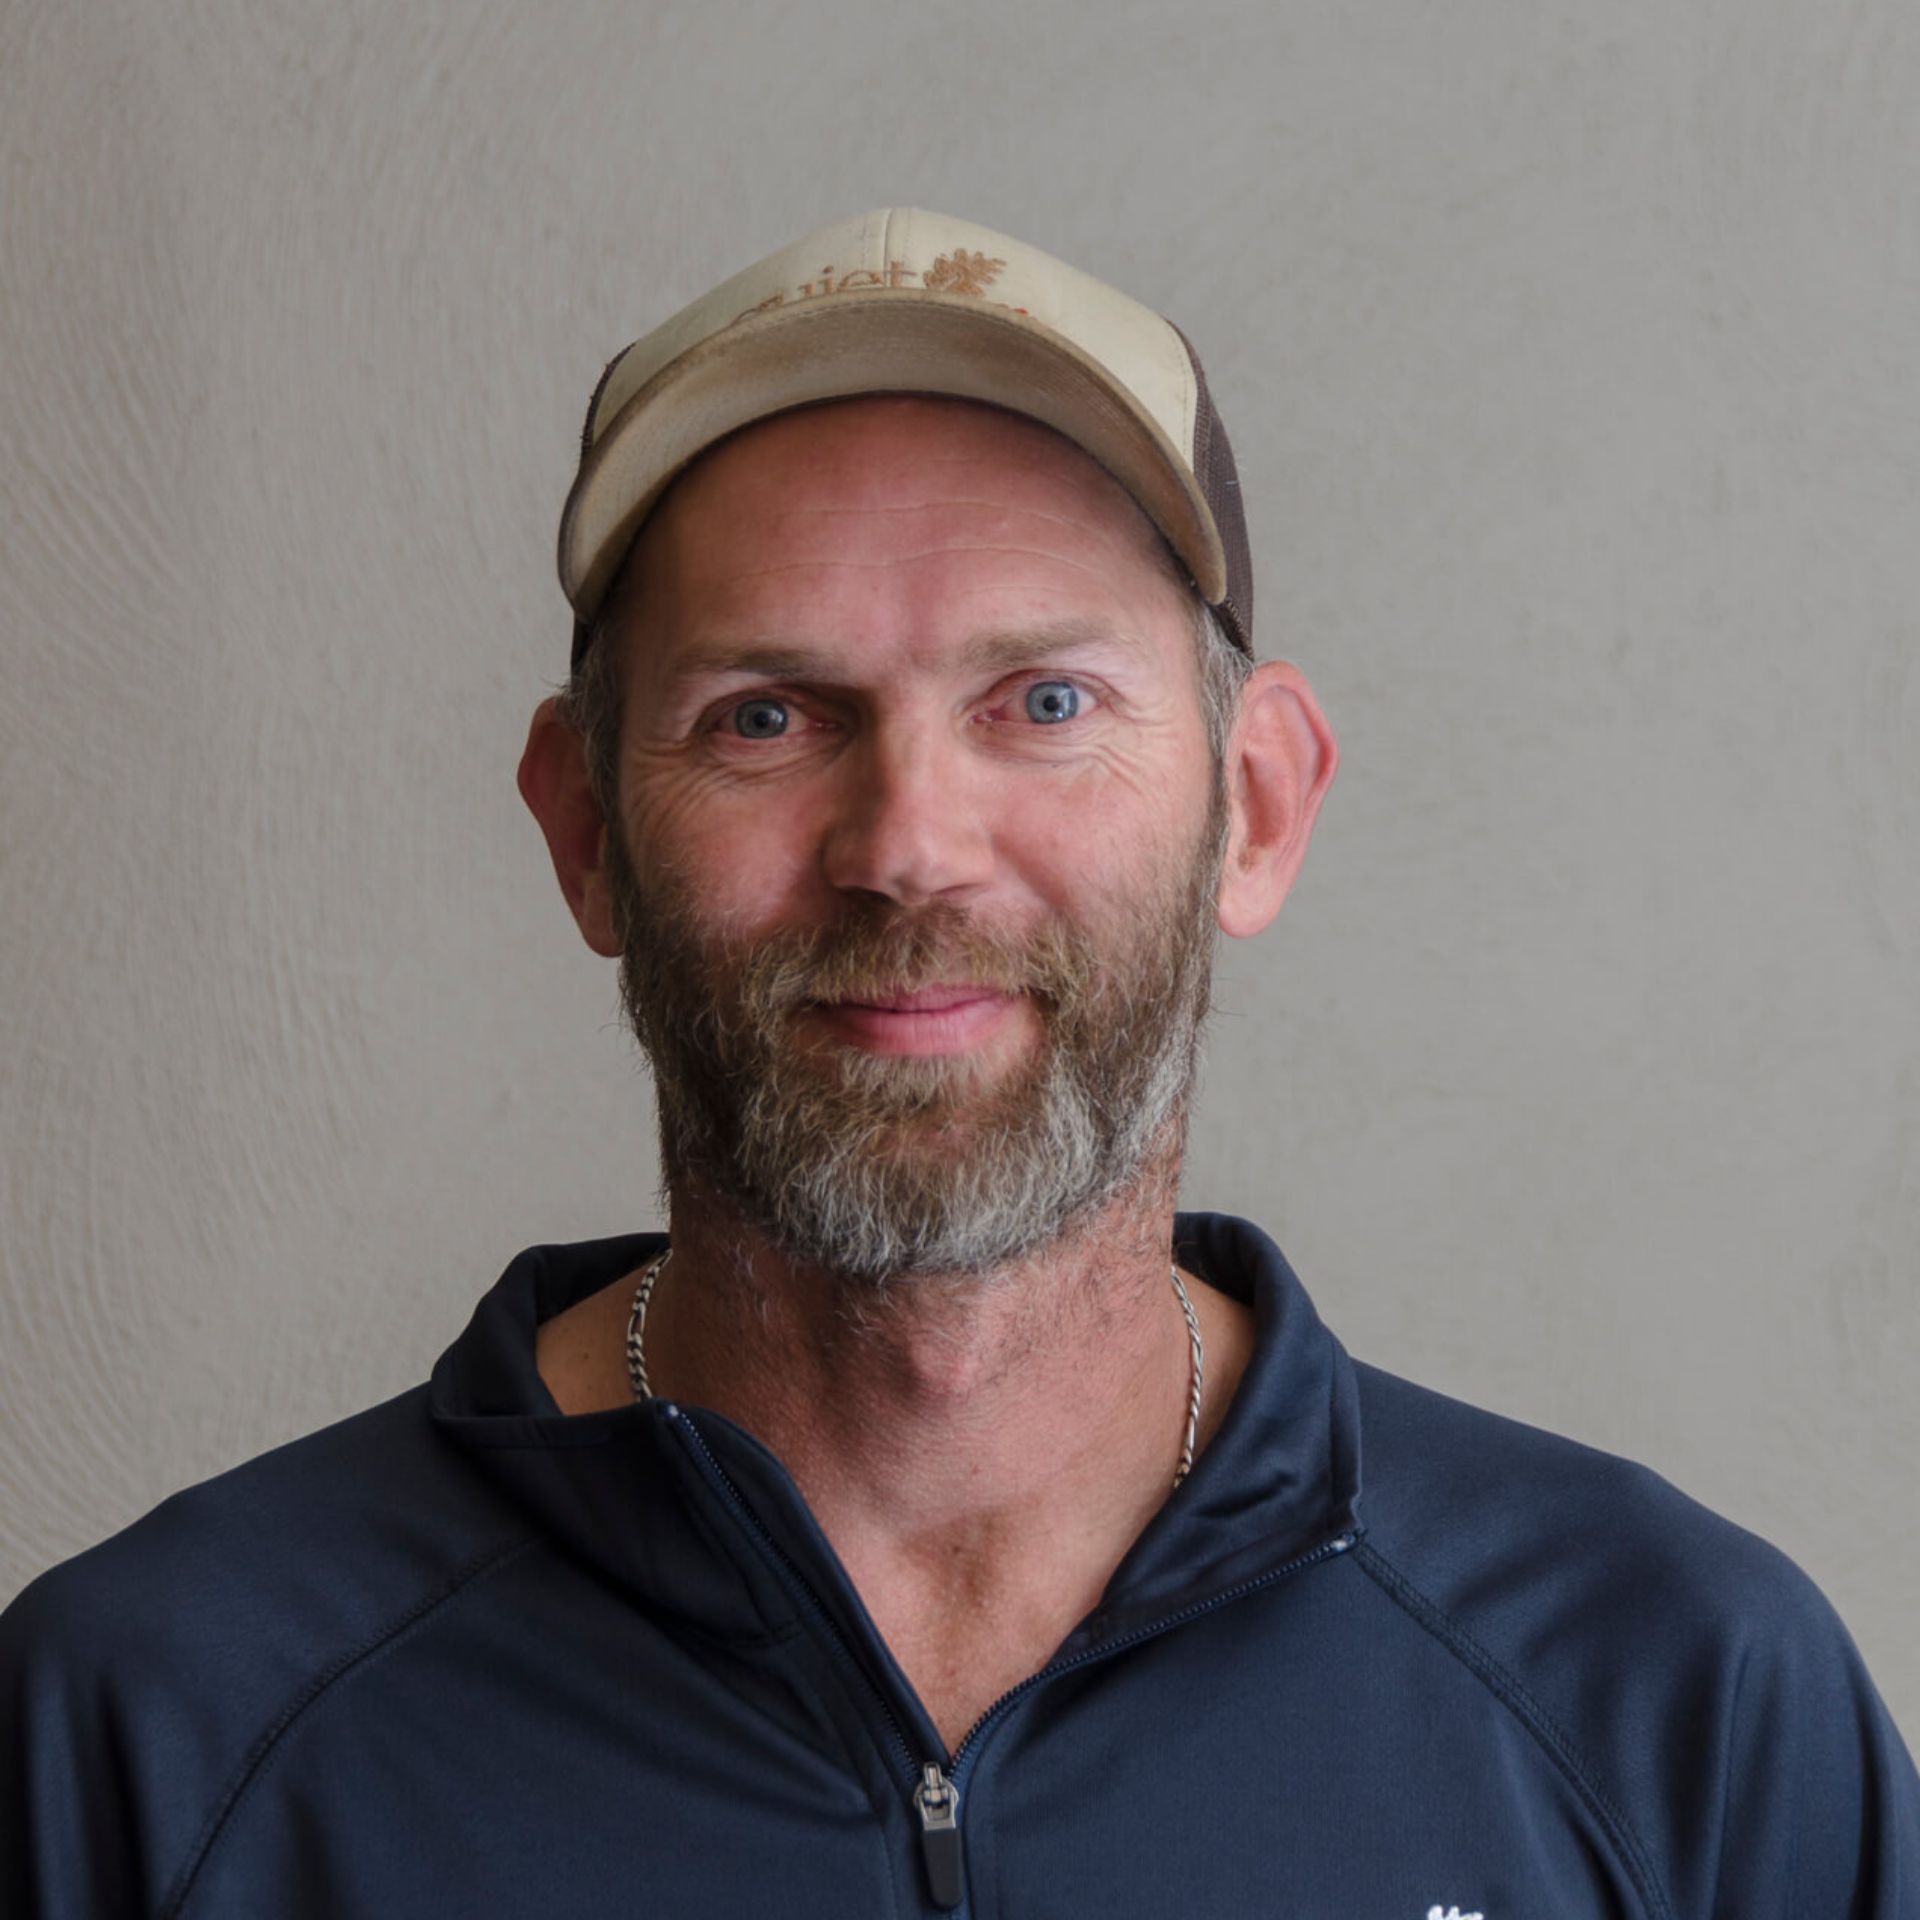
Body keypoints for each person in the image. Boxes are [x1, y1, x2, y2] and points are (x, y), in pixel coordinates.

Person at [2, 207, 1915, 1918]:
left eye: (1047, 703)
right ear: (583, 828)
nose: (908, 843)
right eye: (766, 716)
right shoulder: (155, 1735)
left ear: (1256, 807)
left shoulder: (1678, 1705)